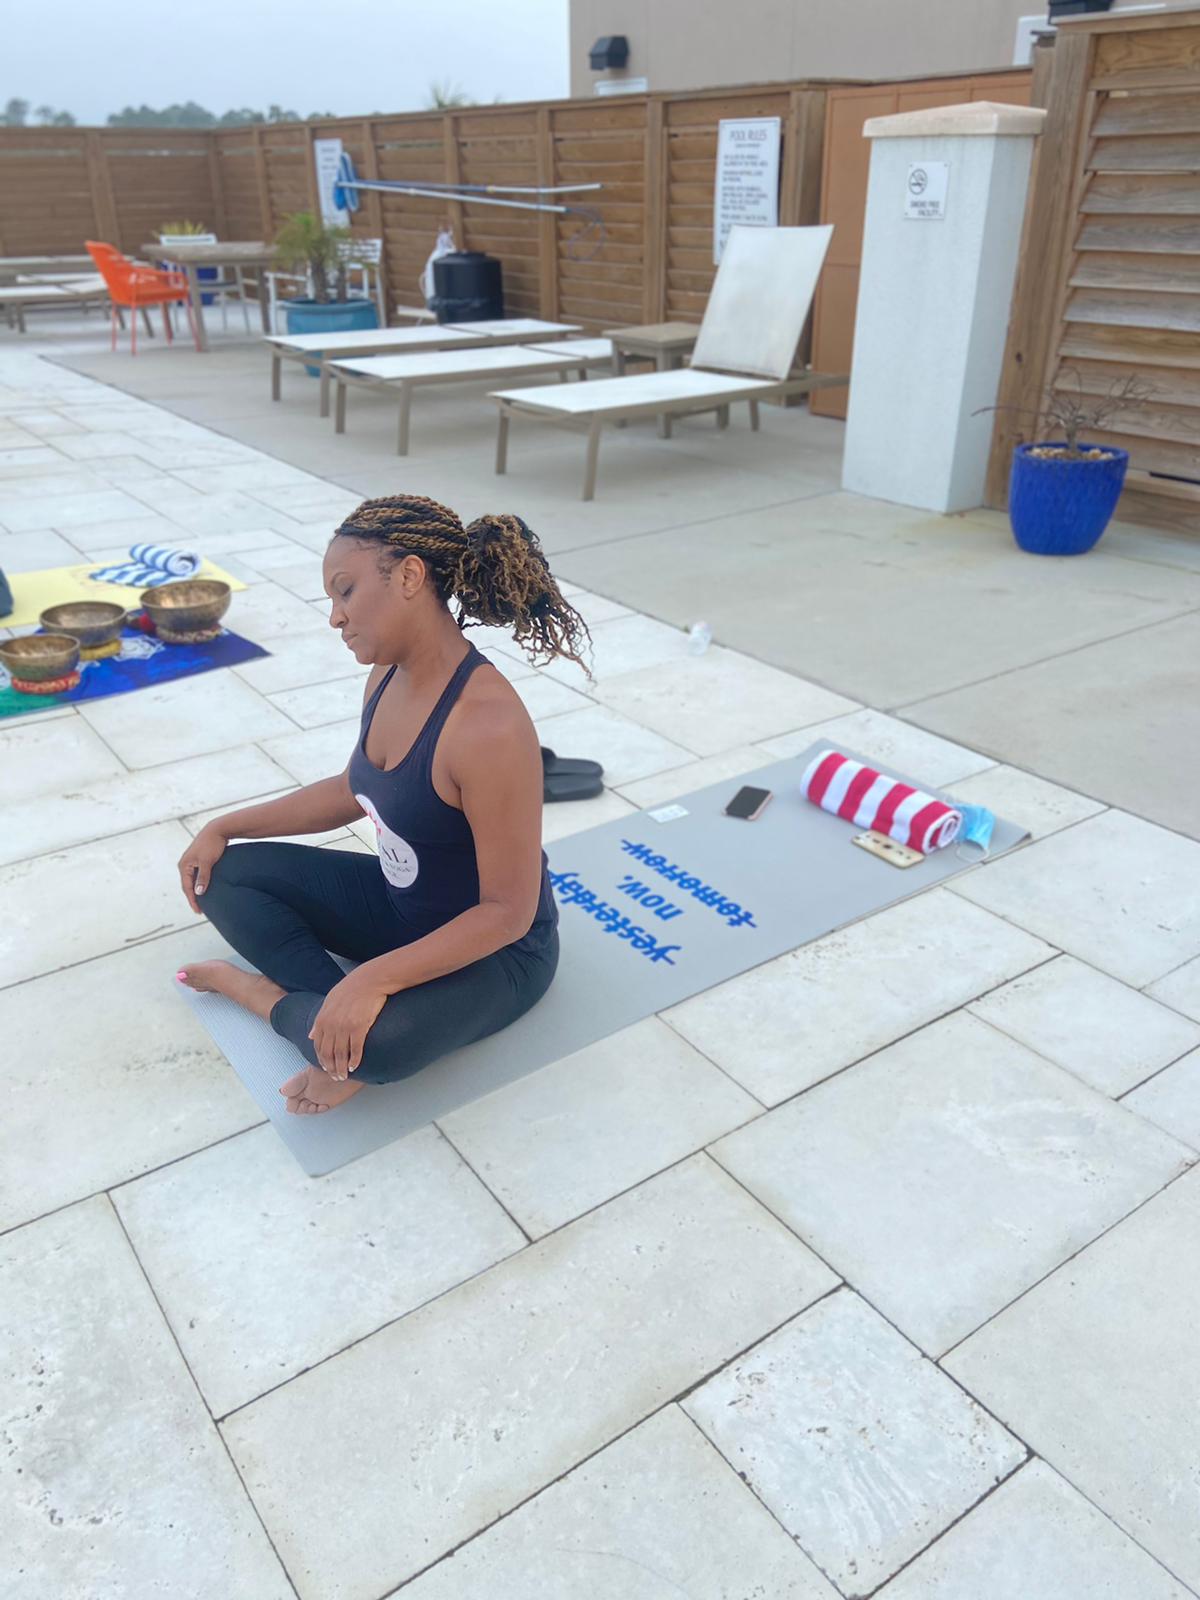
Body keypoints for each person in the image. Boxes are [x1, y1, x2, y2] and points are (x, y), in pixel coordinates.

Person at [176, 494, 590, 1115]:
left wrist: (373, 978)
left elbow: (508, 912)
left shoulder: (487, 725)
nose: (335, 617)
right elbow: (352, 788)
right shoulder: (387, 674)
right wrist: (223, 826)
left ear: (409, 576)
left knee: (380, 1047)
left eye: (344, 591)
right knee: (223, 875)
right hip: (401, 909)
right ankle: (333, 1026)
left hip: (497, 951)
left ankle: (263, 998)